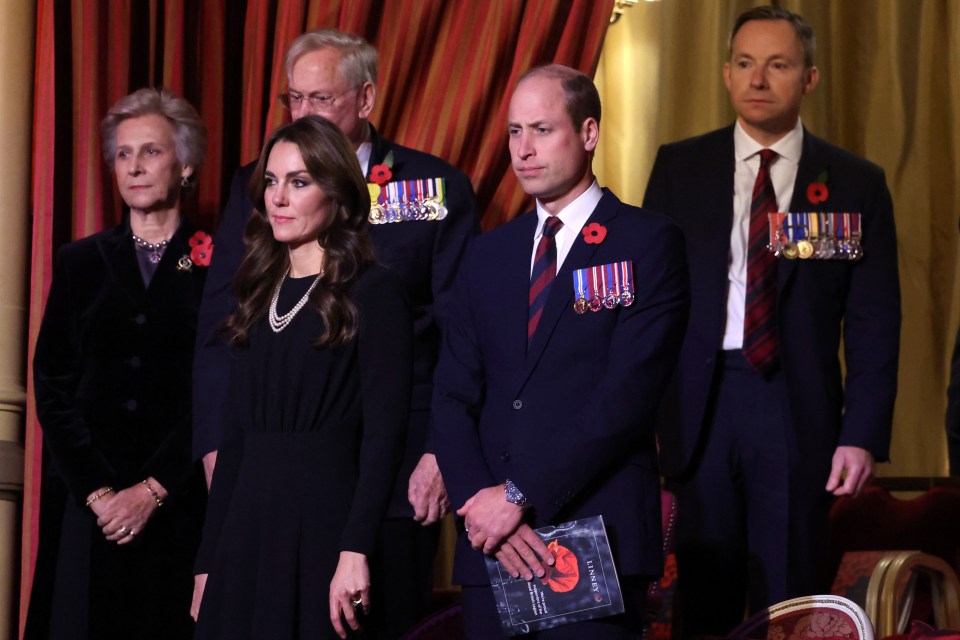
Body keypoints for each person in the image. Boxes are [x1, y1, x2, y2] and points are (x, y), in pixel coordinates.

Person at [192, 29, 478, 634]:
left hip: (385, 467)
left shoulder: (429, 188)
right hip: (260, 483)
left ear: (365, 98)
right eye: (292, 100)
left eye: (319, 99)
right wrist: (215, 458)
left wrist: (440, 450)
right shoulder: (258, 207)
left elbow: (460, 333)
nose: (303, 113)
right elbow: (220, 341)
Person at [643, 6, 901, 636]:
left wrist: (861, 433)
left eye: (778, 65)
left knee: (790, 596)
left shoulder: (853, 183)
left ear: (809, 78)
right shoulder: (681, 167)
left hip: (795, 407)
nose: (759, 80)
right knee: (702, 594)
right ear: (727, 75)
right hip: (699, 408)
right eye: (745, 64)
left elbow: (874, 320)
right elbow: (650, 304)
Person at [432, 64, 690, 638]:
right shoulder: (487, 255)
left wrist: (521, 496)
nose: (523, 150)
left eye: (542, 130)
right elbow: (450, 394)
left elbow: (626, 398)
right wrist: (482, 504)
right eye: (514, 132)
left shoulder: (647, 242)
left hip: (594, 535)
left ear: (590, 132)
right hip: (492, 542)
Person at [191, 115, 412, 640]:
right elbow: (235, 438)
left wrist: (355, 550)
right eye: (271, 181)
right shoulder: (255, 293)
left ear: (336, 191)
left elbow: (385, 438)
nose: (278, 199)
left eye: (299, 182)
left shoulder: (374, 292)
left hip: (324, 524)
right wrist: (207, 560)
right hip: (247, 526)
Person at [25, 87, 209, 640]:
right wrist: (100, 493)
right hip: (88, 507)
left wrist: (153, 490)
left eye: (150, 152)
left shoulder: (221, 265)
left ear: (185, 164)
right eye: (123, 155)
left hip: (177, 504)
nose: (133, 166)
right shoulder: (80, 260)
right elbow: (51, 382)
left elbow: (220, 392)